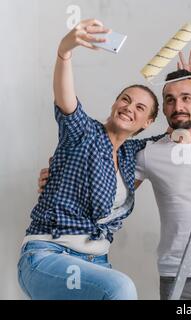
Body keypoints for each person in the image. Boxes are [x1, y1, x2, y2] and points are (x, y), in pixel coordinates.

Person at [38, 50, 191, 300]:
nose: (178, 106)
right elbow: (109, 188)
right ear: (162, 111)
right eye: (170, 99)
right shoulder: (149, 152)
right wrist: (61, 177)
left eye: (186, 98)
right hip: (175, 274)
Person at [18, 18, 163, 300]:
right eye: (124, 99)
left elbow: (174, 136)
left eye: (139, 107)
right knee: (121, 288)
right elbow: (67, 101)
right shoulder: (84, 132)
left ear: (148, 122)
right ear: (114, 103)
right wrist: (65, 52)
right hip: (48, 255)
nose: (128, 107)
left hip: (96, 263)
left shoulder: (130, 153)